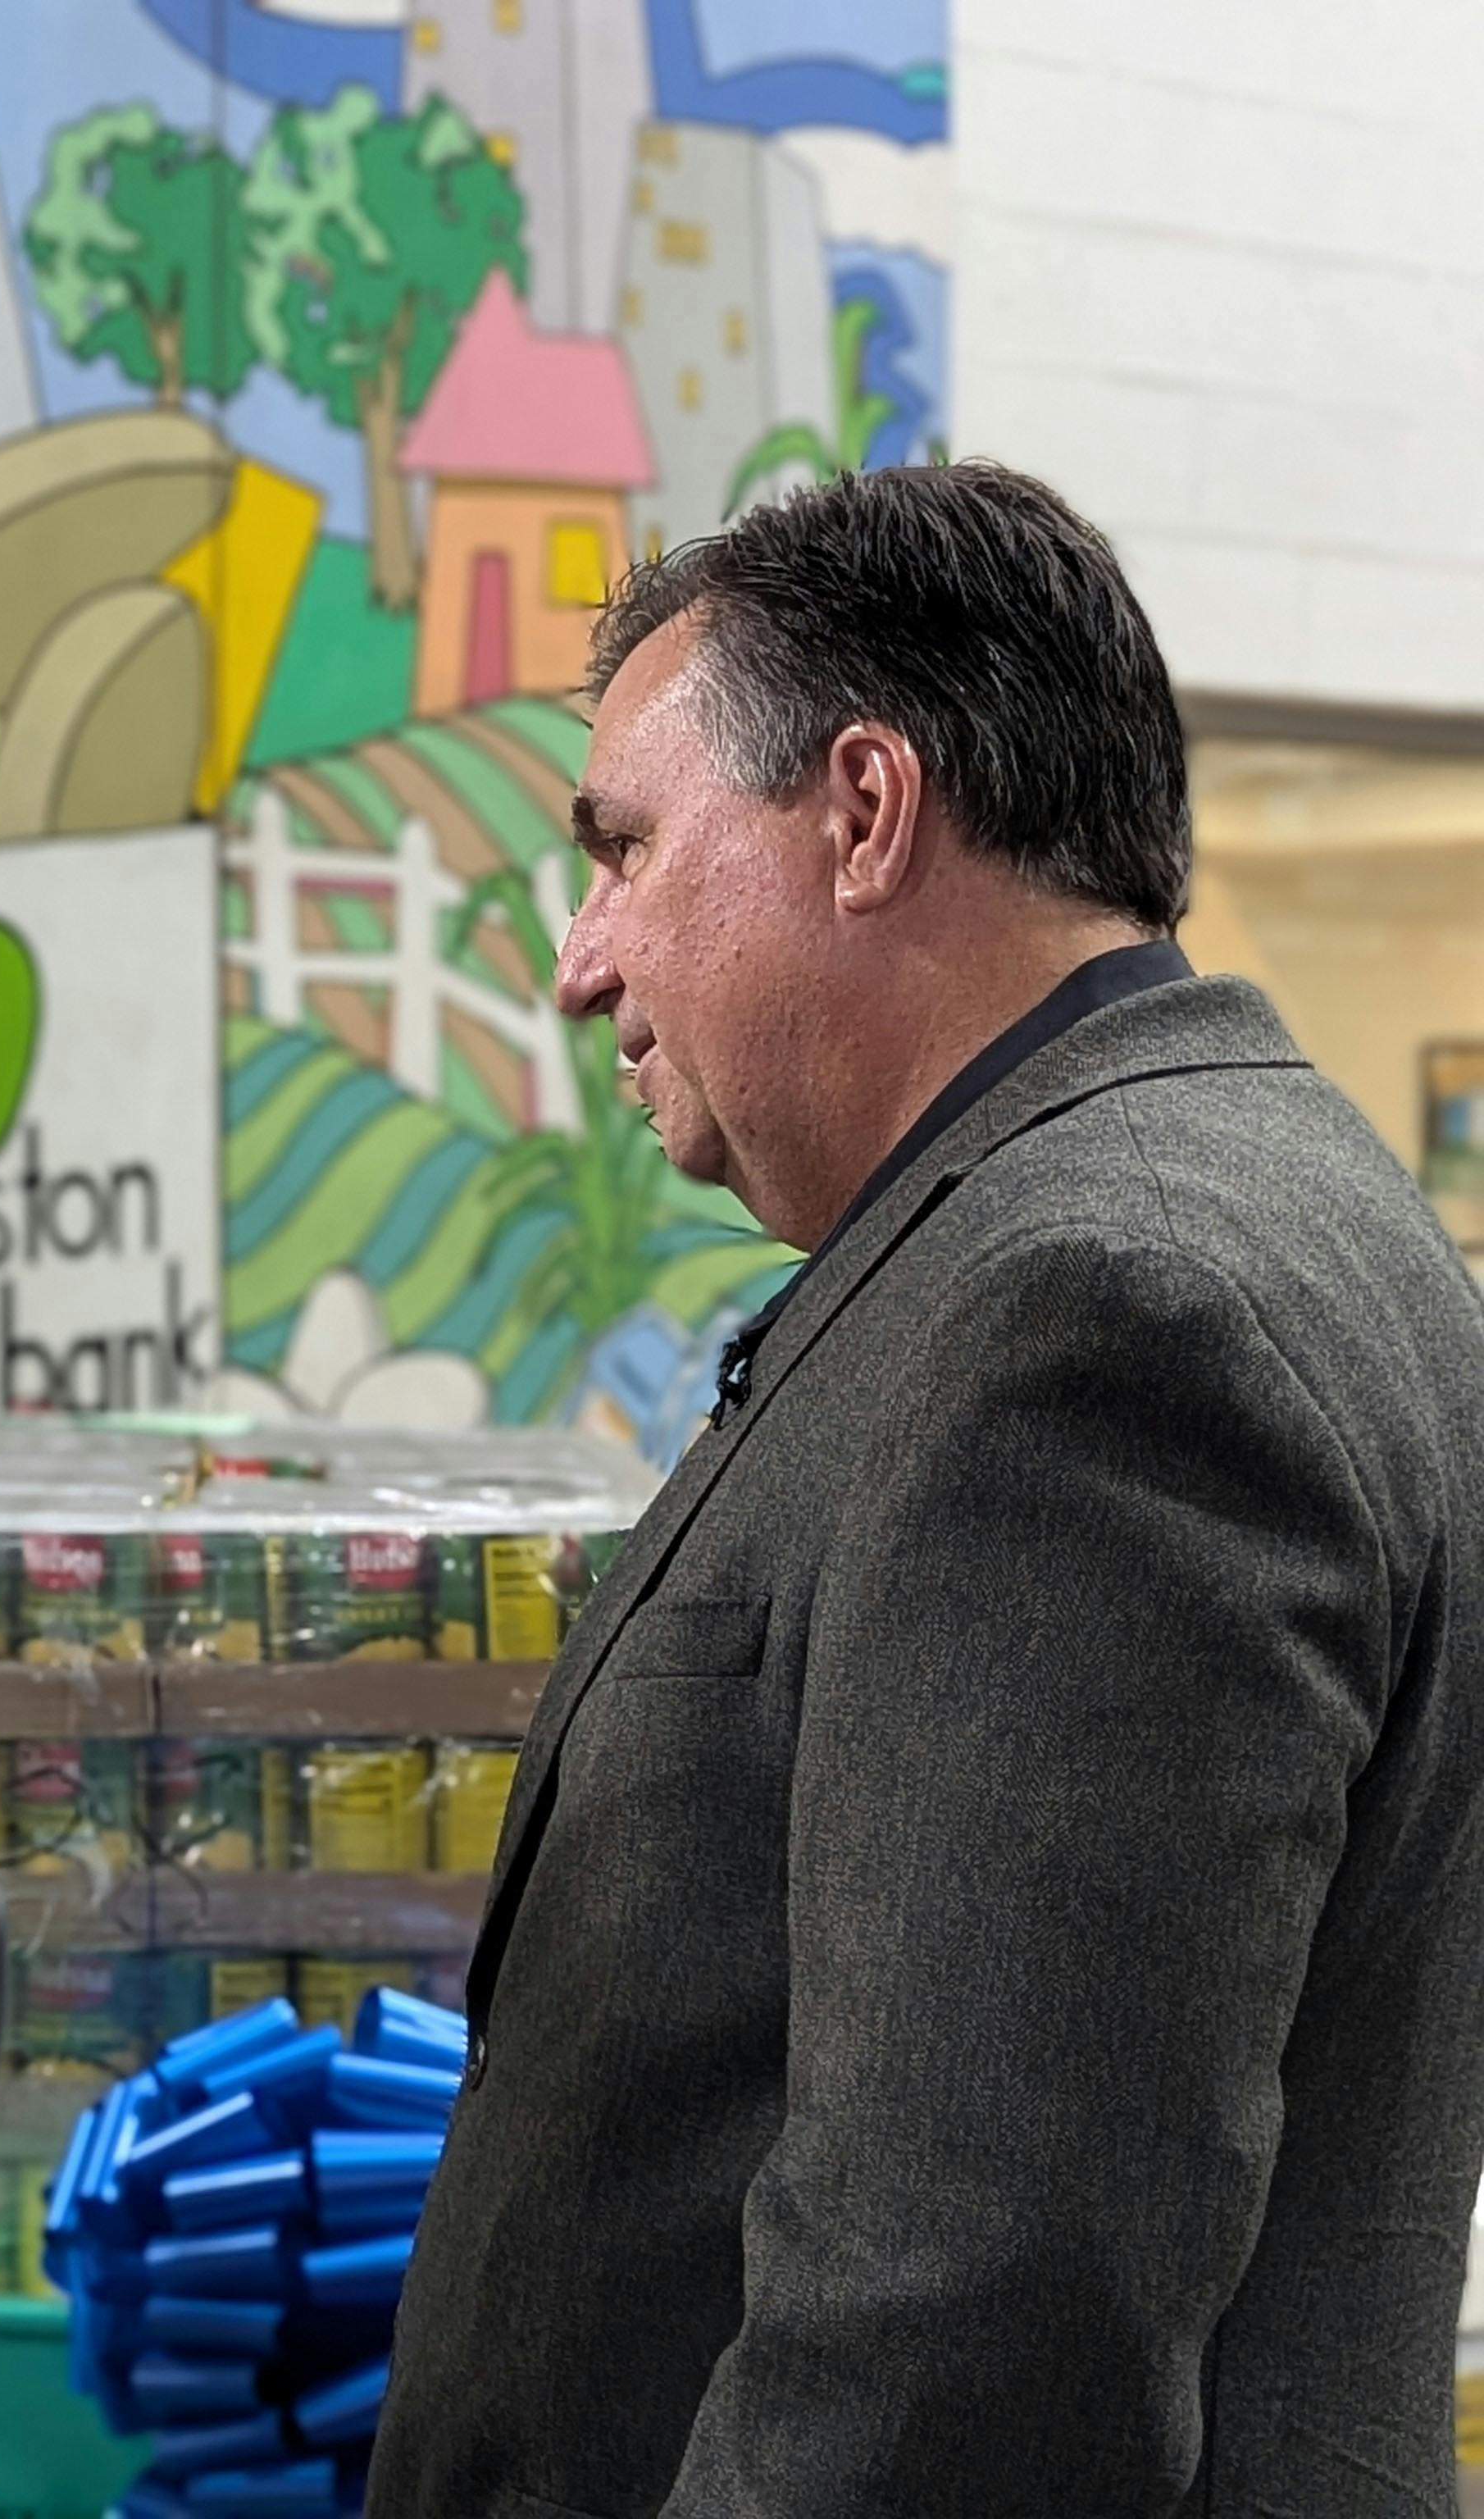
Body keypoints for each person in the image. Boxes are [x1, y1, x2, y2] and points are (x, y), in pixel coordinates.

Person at [365, 464, 1484, 2516]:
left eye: (620, 850)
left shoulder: (1098, 1320)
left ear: (865, 813)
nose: (582, 964)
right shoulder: (1273, 1202)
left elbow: (970, 2326)